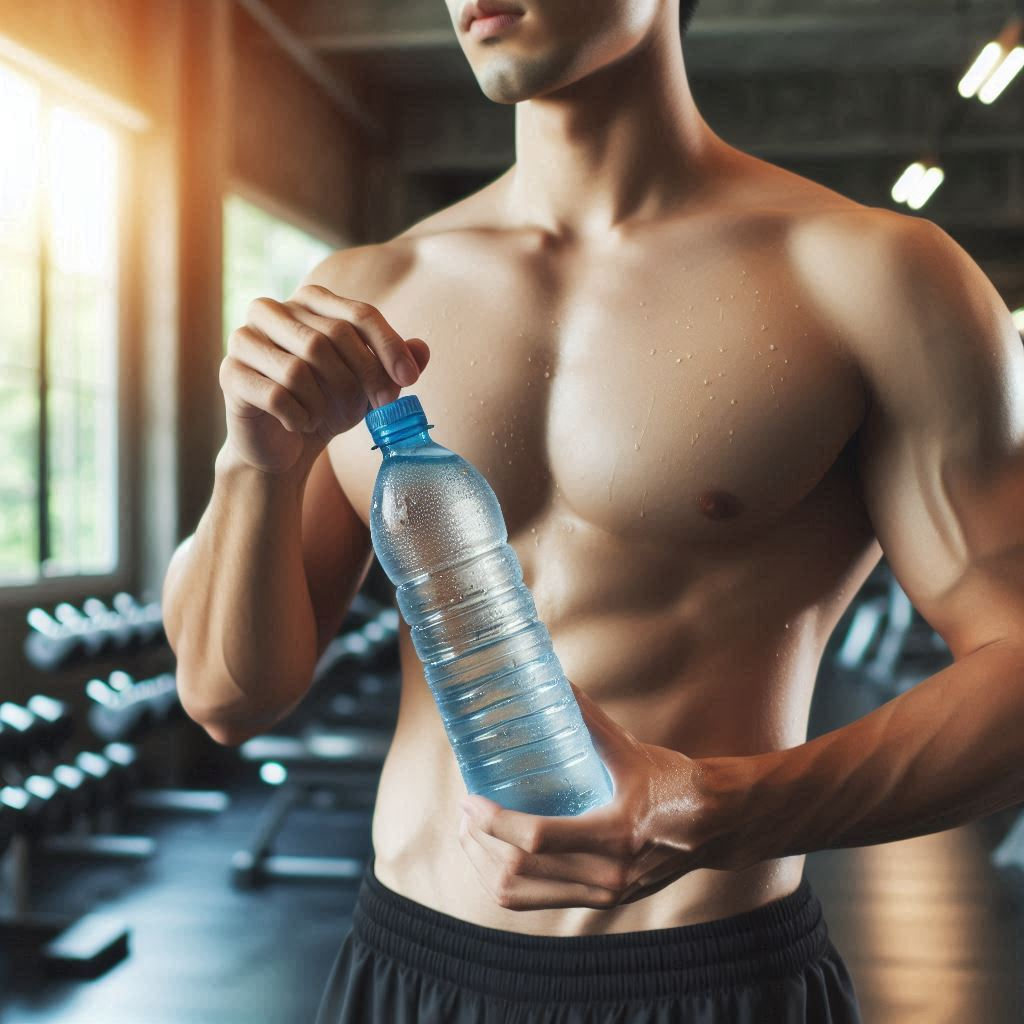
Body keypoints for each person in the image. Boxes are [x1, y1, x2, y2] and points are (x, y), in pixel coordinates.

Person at [162, 0, 1024, 1020]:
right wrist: (252, 462)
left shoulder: (871, 277)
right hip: (406, 965)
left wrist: (710, 811)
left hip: (700, 977)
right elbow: (227, 697)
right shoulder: (372, 288)